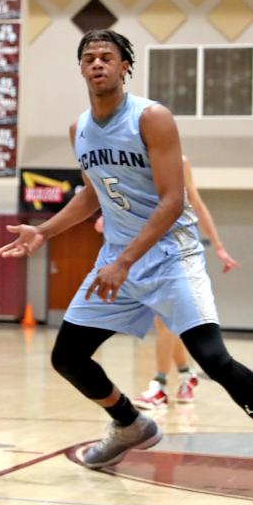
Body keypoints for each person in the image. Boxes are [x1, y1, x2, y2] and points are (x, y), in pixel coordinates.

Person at [0, 29, 253, 504]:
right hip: (117, 259)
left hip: (171, 256)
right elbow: (93, 193)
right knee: (68, 357)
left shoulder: (152, 118)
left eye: (106, 57)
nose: (96, 65)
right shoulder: (80, 130)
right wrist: (44, 231)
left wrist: (127, 259)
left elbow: (174, 201)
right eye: (88, 58)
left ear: (126, 66)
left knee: (213, 359)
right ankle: (130, 423)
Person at [91, 157, 241, 409]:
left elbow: (195, 201)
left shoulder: (177, 162)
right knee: (166, 324)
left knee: (166, 324)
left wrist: (219, 246)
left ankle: (159, 385)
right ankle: (186, 373)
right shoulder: (126, 157)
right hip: (143, 253)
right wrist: (109, 217)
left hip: (173, 253)